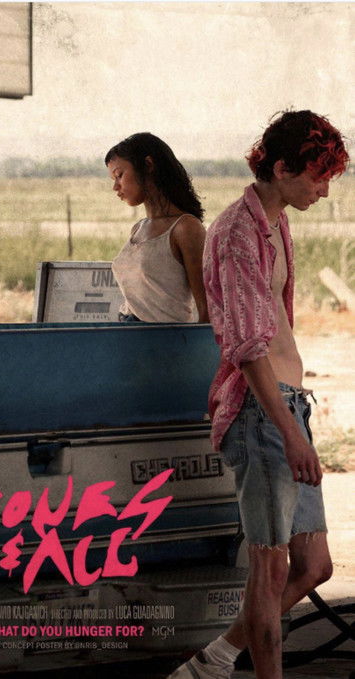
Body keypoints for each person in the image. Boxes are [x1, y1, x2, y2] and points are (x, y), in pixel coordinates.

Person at [168, 110, 349, 679]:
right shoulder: (236, 233)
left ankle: (213, 661)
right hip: (262, 413)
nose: (324, 190)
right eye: (318, 177)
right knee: (268, 571)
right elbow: (248, 350)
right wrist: (291, 435)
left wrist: (296, 423)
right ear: (282, 167)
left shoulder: (275, 223)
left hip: (289, 405)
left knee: (314, 566)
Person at [105, 132, 209, 323]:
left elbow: (207, 307)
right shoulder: (138, 228)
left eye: (119, 175)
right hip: (125, 330)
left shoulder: (186, 228)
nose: (115, 187)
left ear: (148, 165)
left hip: (167, 338)